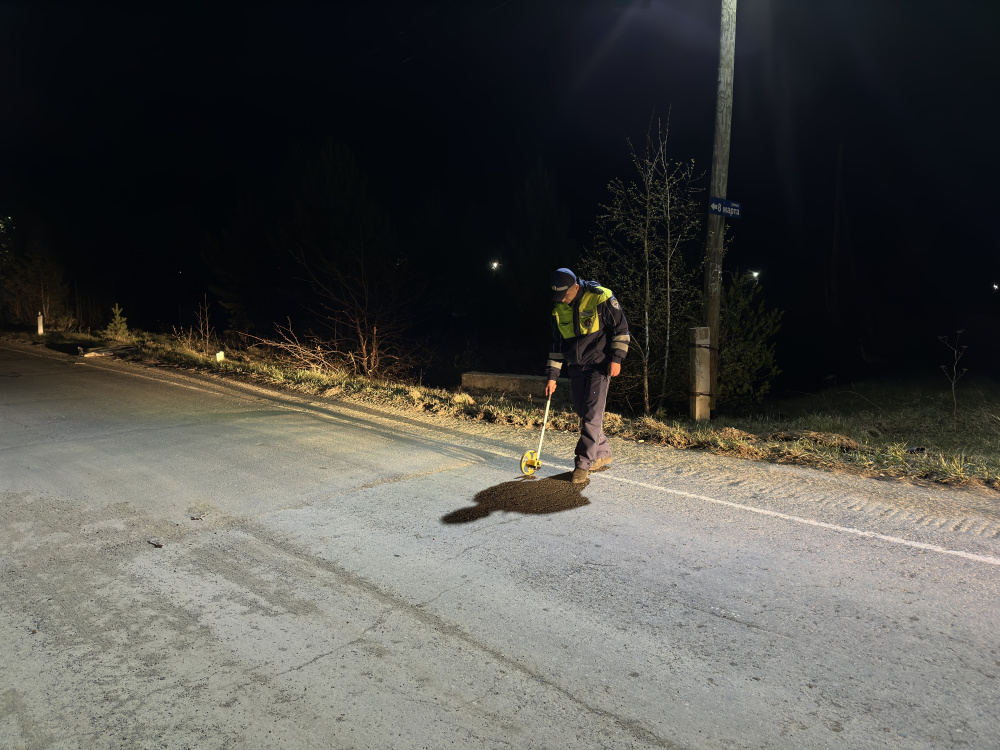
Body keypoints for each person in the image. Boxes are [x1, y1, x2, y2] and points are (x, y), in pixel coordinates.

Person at [544, 267, 629, 483]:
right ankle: (602, 453)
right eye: (558, 296)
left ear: (575, 286)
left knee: (592, 414)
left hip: (599, 365)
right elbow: (556, 345)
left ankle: (583, 462)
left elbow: (621, 329)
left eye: (565, 295)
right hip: (576, 366)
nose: (562, 300)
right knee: (583, 412)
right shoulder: (558, 309)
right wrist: (553, 375)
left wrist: (616, 359)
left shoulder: (600, 297)